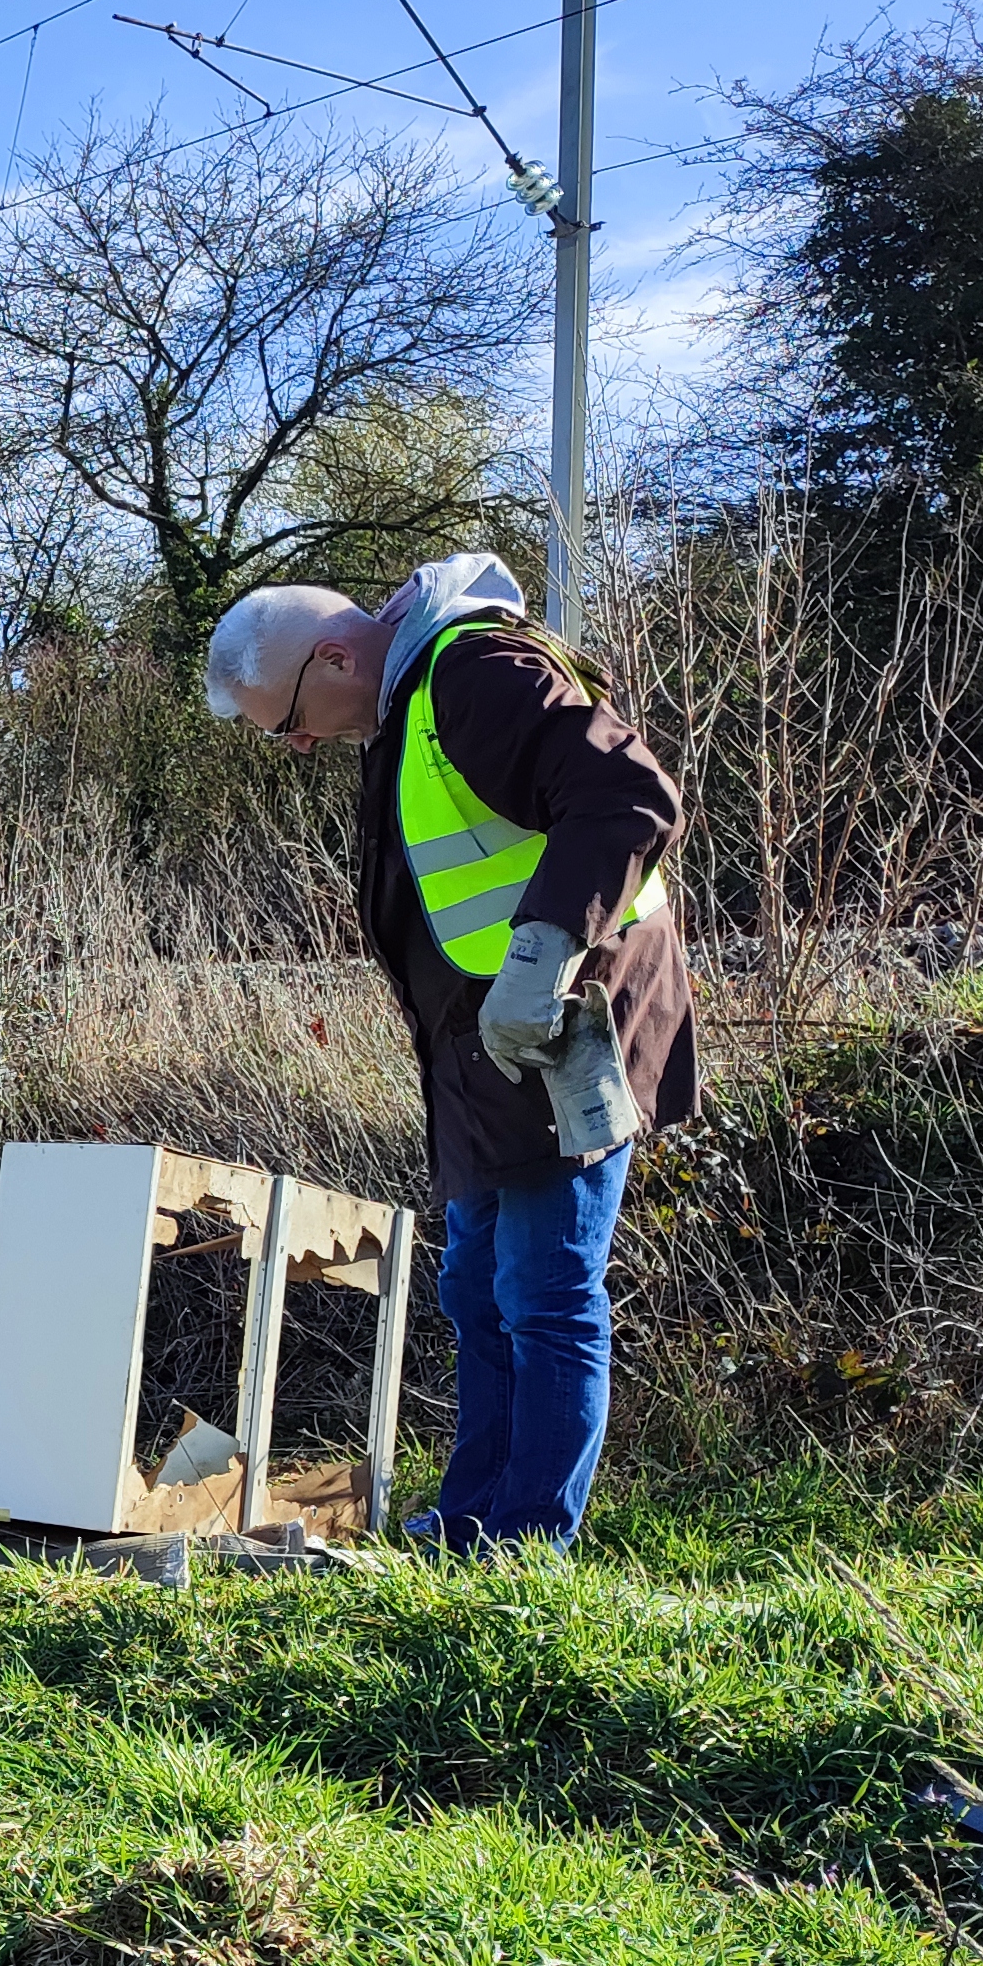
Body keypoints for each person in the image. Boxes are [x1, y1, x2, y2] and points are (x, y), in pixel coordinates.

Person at [205, 552, 697, 1549]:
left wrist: (545, 947)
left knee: (545, 1290)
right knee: (475, 1286)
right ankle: (471, 1521)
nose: (296, 745)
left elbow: (628, 796)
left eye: (290, 721)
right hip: (481, 1058)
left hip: (565, 1033)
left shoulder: (476, 672)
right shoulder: (408, 708)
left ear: (336, 654)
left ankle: (527, 1545)